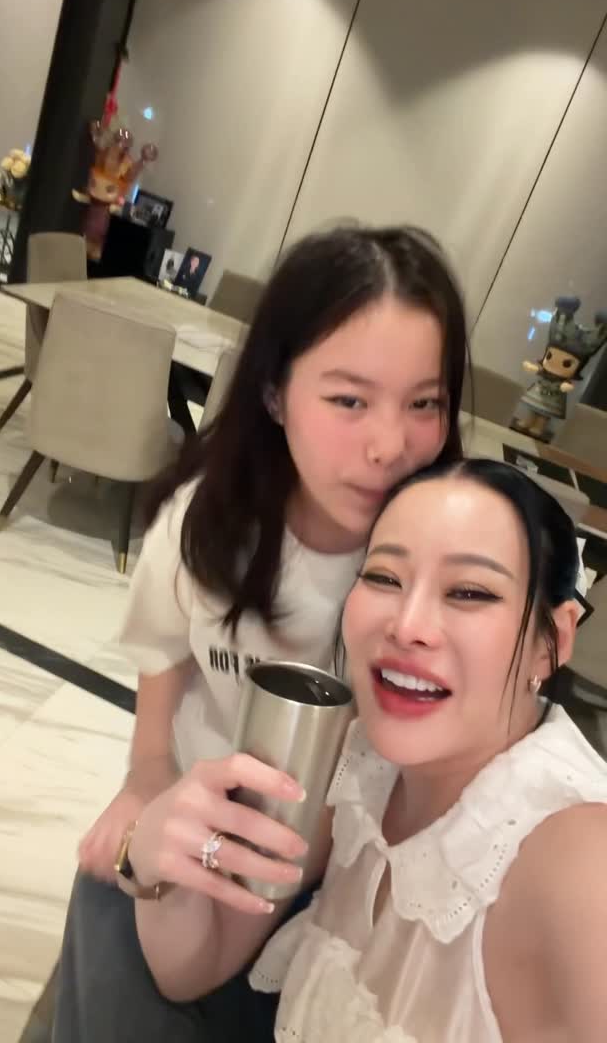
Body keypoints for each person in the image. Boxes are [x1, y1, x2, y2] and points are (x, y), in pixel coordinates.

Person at [53, 224, 468, 1042]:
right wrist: (146, 775)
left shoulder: (435, 578)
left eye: (424, 403)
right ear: (275, 395)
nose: (390, 445)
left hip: (324, 886)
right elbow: (164, 648)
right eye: (349, 400)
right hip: (187, 827)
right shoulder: (209, 523)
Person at [127, 459, 607, 1042]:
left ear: (551, 642)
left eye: (469, 591)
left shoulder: (579, 863)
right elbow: (190, 969)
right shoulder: (362, 764)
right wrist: (149, 855)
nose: (407, 626)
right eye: (383, 577)